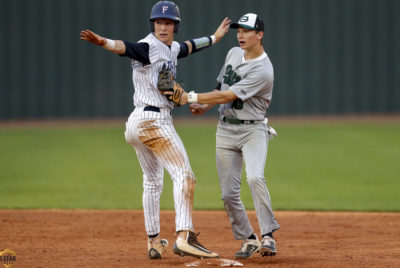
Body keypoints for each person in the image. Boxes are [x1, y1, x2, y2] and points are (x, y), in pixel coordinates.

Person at [80, 1, 230, 260]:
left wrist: (215, 38)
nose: (163, 26)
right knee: (185, 175)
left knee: (152, 181)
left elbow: (190, 46)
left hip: (136, 123)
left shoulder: (171, 48)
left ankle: (153, 241)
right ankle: (184, 237)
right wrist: (102, 41)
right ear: (153, 25)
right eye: (159, 22)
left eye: (168, 22)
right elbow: (124, 47)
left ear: (175, 26)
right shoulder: (148, 47)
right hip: (153, 121)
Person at [174, 13, 280, 259]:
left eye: (246, 30)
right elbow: (220, 90)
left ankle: (268, 236)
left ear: (260, 35)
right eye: (238, 30)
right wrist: (204, 106)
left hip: (252, 130)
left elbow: (227, 96)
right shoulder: (233, 53)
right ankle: (249, 239)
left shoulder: (264, 70)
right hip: (225, 129)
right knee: (228, 194)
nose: (240, 35)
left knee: (255, 177)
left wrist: (190, 97)